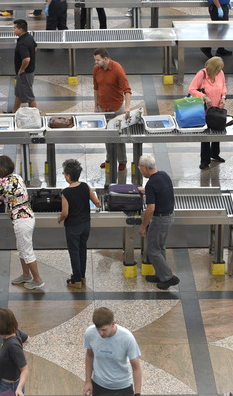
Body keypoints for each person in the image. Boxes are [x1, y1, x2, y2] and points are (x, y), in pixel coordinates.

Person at [0, 156, 45, 290]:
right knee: (22, 249)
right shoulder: (17, 177)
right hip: (28, 216)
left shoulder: (1, 183)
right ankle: (26, 275)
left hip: (21, 220)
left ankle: (37, 280)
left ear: (0, 169)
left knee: (27, 251)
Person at [58, 159, 102, 289]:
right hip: (86, 224)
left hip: (73, 227)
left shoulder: (65, 192)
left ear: (68, 176)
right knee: (82, 249)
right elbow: (97, 202)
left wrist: (60, 218)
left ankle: (76, 280)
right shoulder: (85, 186)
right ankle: (82, 276)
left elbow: (65, 213)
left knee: (74, 252)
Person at [138, 154, 179, 290]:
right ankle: (160, 275)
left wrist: (143, 226)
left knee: (153, 250)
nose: (140, 170)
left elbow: (150, 209)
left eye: (140, 167)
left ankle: (168, 277)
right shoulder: (163, 175)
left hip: (160, 219)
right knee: (160, 247)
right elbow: (160, 190)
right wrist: (145, 191)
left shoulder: (151, 184)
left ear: (144, 167)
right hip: (169, 216)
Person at [83, 307, 142, 396]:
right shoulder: (90, 333)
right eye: (98, 329)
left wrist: (137, 393)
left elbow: (136, 368)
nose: (100, 333)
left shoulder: (127, 338)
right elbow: (89, 356)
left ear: (112, 324)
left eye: (104, 330)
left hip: (122, 388)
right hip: (98, 385)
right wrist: (88, 381)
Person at [93, 48, 131, 171]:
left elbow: (127, 90)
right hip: (103, 108)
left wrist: (127, 107)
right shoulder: (96, 69)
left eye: (98, 60)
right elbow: (96, 88)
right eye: (95, 60)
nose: (96, 62)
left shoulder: (117, 69)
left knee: (118, 136)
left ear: (105, 58)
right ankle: (109, 159)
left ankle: (122, 161)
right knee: (107, 136)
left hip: (117, 108)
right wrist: (95, 105)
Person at [188, 56, 227, 169]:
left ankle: (215, 154)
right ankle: (205, 160)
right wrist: (204, 96)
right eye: (217, 70)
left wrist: (223, 97)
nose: (219, 72)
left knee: (217, 130)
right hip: (204, 110)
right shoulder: (202, 74)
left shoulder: (221, 74)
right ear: (213, 68)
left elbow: (223, 87)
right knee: (206, 135)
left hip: (217, 108)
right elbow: (192, 89)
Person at [0, 307, 30, 396]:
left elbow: (25, 369)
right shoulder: (15, 332)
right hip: (5, 380)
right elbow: (28, 339)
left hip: (10, 386)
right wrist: (17, 354)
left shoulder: (12, 345)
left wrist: (19, 388)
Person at [12, 20, 38, 113]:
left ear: (21, 30)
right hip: (29, 71)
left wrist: (21, 70)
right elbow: (35, 47)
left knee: (29, 97)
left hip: (25, 73)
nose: (13, 29)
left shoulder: (22, 43)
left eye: (15, 28)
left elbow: (26, 59)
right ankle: (14, 112)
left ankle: (34, 115)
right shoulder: (29, 37)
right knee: (19, 93)